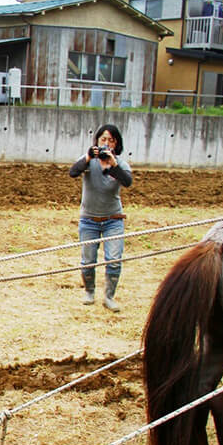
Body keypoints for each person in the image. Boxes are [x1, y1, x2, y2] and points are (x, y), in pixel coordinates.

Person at [69, 124, 133, 311]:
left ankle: (109, 297)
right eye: (103, 139)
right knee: (88, 261)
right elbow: (73, 172)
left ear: (116, 144)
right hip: (89, 220)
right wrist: (88, 157)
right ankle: (89, 292)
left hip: (113, 220)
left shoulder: (120, 164)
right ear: (96, 141)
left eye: (111, 140)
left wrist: (113, 165)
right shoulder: (88, 161)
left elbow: (128, 182)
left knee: (113, 259)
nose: (106, 143)